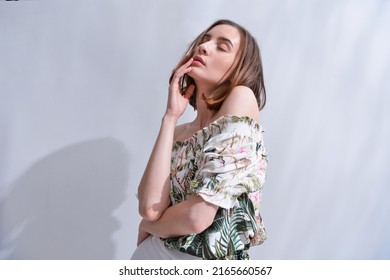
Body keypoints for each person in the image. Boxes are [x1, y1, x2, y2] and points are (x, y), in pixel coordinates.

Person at [131, 19, 268, 260]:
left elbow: (196, 217)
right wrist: (170, 117)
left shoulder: (242, 98)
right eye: (205, 40)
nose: (203, 47)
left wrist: (149, 227)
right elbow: (150, 207)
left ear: (240, 68)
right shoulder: (179, 131)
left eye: (222, 46)